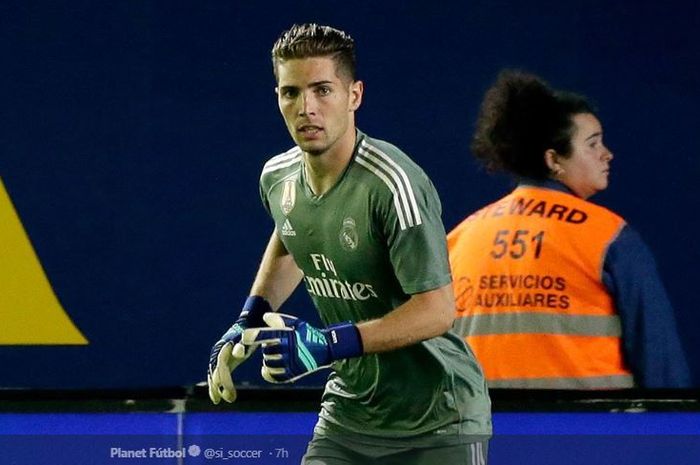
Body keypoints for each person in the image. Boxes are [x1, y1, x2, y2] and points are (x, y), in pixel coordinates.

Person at [207, 24, 491, 464]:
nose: (307, 108)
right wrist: (251, 316)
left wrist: (327, 344)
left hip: (439, 420)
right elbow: (293, 234)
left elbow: (437, 309)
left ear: (354, 95)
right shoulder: (277, 177)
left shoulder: (394, 185)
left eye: (323, 90)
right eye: (291, 93)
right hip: (349, 415)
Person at [447, 70, 691, 389]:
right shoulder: (609, 237)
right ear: (554, 160)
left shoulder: (460, 238)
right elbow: (661, 365)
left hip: (479, 433)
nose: (607, 154)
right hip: (587, 432)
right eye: (592, 144)